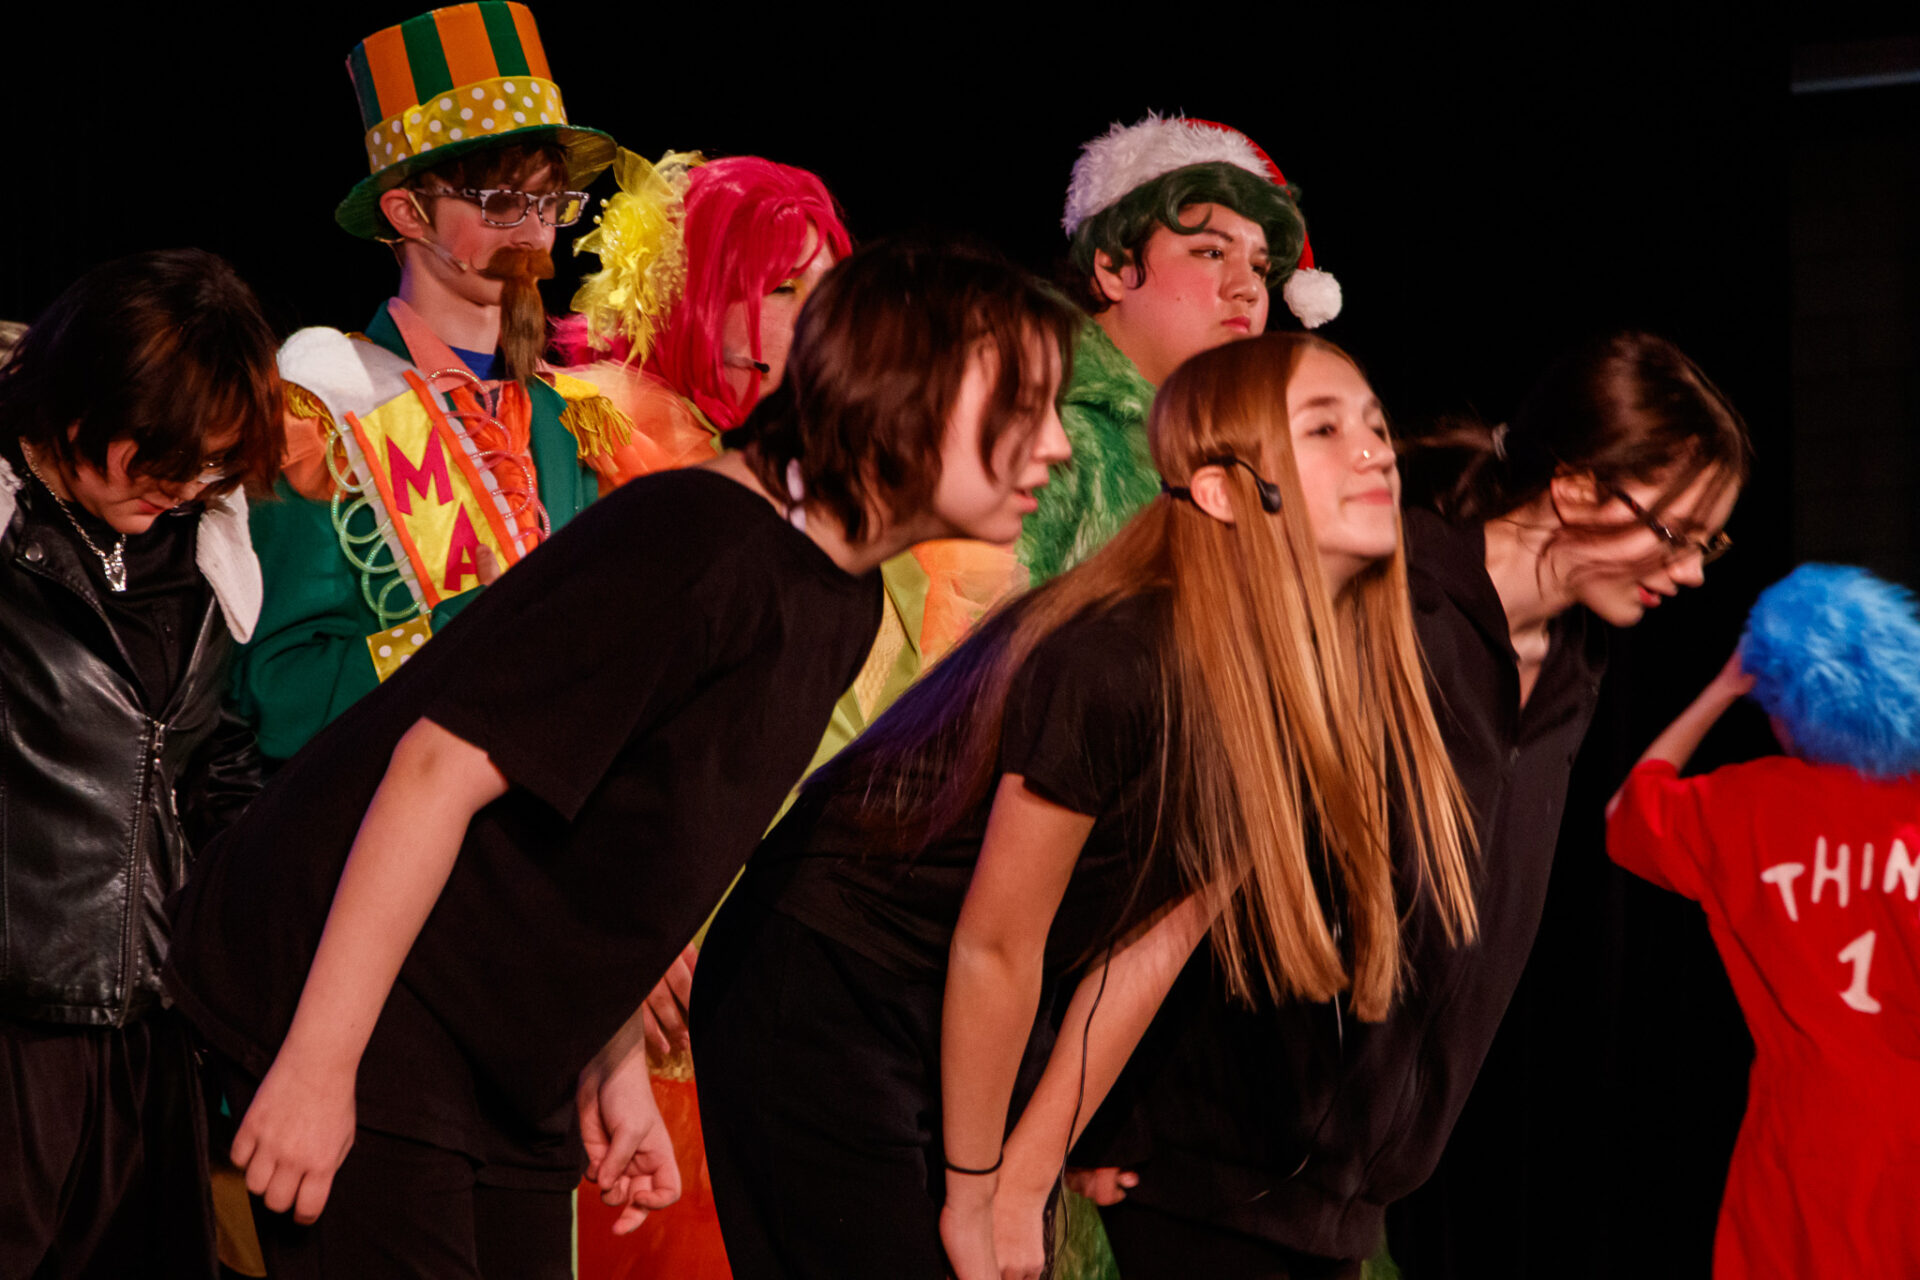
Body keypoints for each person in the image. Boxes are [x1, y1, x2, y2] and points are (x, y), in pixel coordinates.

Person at [161, 237, 1077, 1280]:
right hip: (359, 992)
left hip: (494, 1026)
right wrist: (322, 1065)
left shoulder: (839, 594)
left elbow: (613, 839)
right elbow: (433, 770)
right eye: (1021, 405)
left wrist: (612, 1062)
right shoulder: (702, 542)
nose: (1053, 445)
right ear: (905, 395)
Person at [692, 330, 1481, 1280]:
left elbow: (1148, 947)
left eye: (1376, 427)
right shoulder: (1120, 658)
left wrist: (1023, 1182)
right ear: (1222, 491)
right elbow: (997, 942)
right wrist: (975, 1195)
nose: (1374, 452)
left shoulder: (1308, 687)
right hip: (829, 982)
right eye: (1323, 429)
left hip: (970, 1011)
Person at [1070, 331, 1752, 1279]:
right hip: (1205, 1171)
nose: (1692, 572)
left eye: (1710, 543)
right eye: (1675, 535)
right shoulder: (1391, 605)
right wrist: (1095, 1115)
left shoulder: (1574, 664)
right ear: (1574, 488)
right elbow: (1179, 855)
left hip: (1351, 1197)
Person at [235, 0, 626, 763]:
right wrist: (464, 630)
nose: (535, 231)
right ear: (407, 212)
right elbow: (280, 696)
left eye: (550, 202)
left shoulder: (570, 418)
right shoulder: (322, 407)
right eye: (501, 202)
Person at [0, 249, 282, 1279]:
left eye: (210, 465)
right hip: (17, 1016)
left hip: (150, 1025)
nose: (188, 486)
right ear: (88, 405)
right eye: (170, 458)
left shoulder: (201, 547)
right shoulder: (11, 523)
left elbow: (209, 763)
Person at [1607, 563, 1920, 1277]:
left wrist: (1722, 687)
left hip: (1805, 1137)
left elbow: (1623, 813)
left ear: (1784, 698)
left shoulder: (1746, 804)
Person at [1020, 113, 1342, 586]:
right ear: (1113, 268)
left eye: (1259, 268)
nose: (1249, 289)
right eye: (1212, 252)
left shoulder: (1240, 457)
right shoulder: (1043, 429)